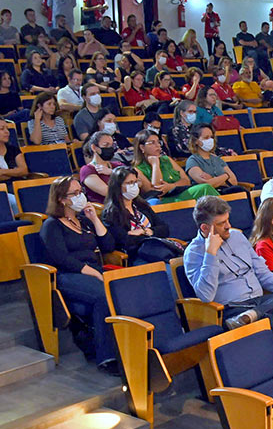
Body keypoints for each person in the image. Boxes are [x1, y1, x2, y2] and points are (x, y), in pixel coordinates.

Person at [183, 195, 273, 329]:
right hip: (233, 309)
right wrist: (211, 254)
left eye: (228, 220)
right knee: (272, 321)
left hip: (260, 302)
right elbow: (205, 296)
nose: (229, 226)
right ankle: (253, 316)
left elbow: (263, 274)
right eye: (222, 223)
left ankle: (254, 314)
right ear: (205, 228)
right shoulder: (194, 253)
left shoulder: (237, 236)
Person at [39, 177, 116, 368]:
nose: (80, 196)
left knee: (121, 289)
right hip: (68, 275)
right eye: (75, 194)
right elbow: (60, 258)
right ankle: (106, 357)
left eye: (80, 192)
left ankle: (124, 344)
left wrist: (95, 218)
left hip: (92, 271)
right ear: (61, 199)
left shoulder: (83, 220)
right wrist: (93, 273)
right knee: (103, 296)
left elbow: (108, 246)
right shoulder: (52, 225)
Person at [98, 166, 173, 265]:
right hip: (137, 256)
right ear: (117, 186)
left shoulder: (142, 206)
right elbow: (125, 241)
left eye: (135, 182)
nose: (133, 186)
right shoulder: (111, 213)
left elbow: (164, 229)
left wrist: (145, 231)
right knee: (168, 271)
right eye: (129, 183)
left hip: (158, 249)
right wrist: (151, 234)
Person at [132, 129, 219, 204]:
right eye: (152, 143)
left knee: (205, 188)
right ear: (142, 147)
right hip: (164, 200)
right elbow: (156, 191)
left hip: (180, 192)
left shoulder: (167, 159)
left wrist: (171, 186)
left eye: (159, 142)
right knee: (204, 188)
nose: (158, 145)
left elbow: (186, 181)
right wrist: (155, 165)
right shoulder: (137, 170)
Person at [185, 123, 240, 191]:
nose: (210, 140)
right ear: (196, 141)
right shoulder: (193, 161)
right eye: (206, 138)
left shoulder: (217, 159)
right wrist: (226, 176)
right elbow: (206, 184)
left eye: (212, 137)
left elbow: (234, 181)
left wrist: (213, 179)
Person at [76, 131, 123, 202]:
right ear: (94, 147)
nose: (110, 148)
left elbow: (137, 181)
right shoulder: (87, 170)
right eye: (106, 145)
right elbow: (107, 192)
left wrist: (112, 172)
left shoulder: (117, 165)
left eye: (112, 145)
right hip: (107, 208)